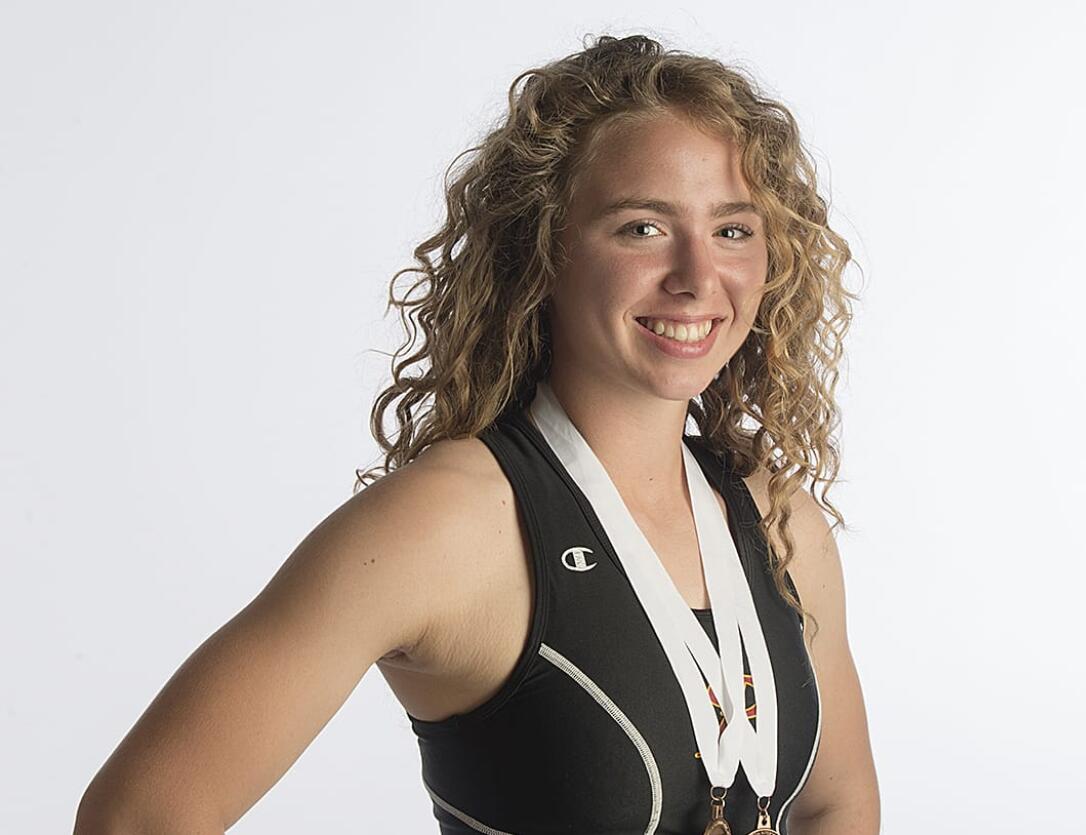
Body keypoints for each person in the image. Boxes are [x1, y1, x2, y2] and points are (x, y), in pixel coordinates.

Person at [75, 34, 880, 835]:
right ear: (543, 249)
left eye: (734, 230)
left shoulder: (780, 524)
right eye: (643, 227)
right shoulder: (448, 523)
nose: (698, 277)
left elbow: (835, 804)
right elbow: (137, 814)